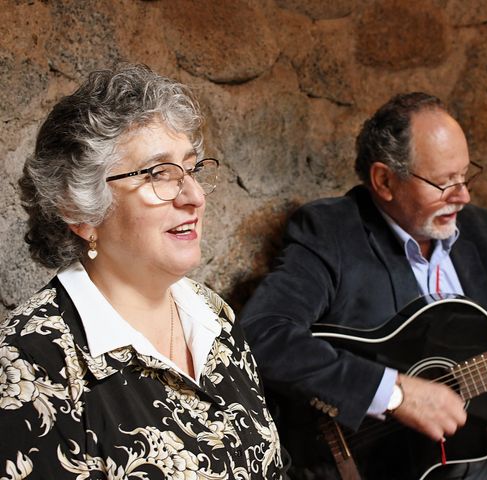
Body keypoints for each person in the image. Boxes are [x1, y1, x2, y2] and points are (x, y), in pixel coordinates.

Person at [239, 92, 487, 479]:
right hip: (371, 464)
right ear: (384, 181)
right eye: (444, 182)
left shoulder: (480, 233)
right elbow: (262, 334)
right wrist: (394, 393)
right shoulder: (332, 234)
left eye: (465, 176)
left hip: (480, 451)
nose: (463, 196)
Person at [0, 64, 287, 479]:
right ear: (80, 211)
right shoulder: (29, 364)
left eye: (191, 169)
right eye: (159, 174)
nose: (193, 196)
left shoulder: (211, 314)